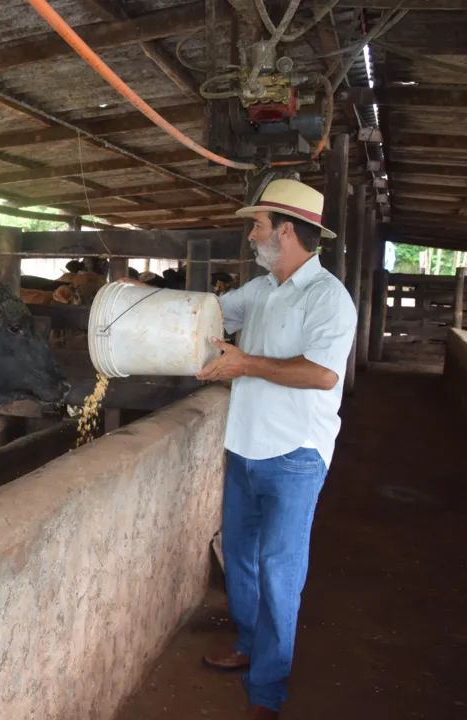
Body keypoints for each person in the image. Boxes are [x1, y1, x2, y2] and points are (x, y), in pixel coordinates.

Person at [120, 178, 357, 719]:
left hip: (296, 455)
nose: (251, 235)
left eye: (258, 225)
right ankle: (250, 645)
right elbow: (209, 315)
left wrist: (243, 363)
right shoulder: (264, 289)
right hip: (246, 447)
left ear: (287, 231)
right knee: (243, 561)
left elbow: (322, 375)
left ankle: (268, 690)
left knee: (279, 569)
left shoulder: (328, 299)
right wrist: (138, 314)